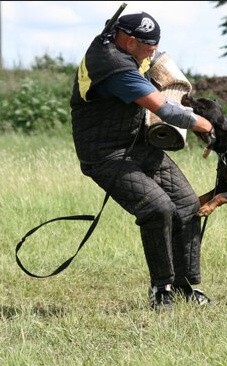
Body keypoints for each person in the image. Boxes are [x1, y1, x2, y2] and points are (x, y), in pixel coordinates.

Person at [70, 11, 214, 310]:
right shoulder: (113, 67)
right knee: (157, 208)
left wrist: (173, 76)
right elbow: (168, 113)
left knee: (187, 205)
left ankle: (185, 285)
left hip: (138, 145)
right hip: (105, 154)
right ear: (130, 41)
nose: (152, 51)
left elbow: (156, 58)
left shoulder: (125, 44)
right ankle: (161, 289)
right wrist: (209, 126)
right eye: (148, 46)